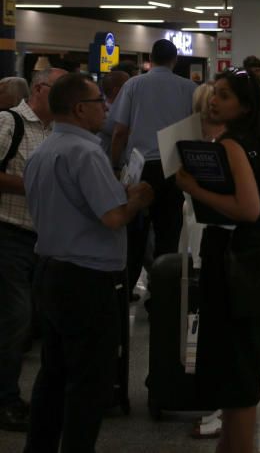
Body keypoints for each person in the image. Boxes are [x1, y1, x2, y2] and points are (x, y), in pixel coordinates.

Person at [23, 73, 153, 451]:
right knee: (90, 380)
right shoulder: (86, 152)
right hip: (86, 278)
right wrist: (138, 200)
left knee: (53, 372)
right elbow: (112, 217)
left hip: (49, 271)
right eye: (100, 101)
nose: (106, 108)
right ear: (81, 109)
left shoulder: (45, 150)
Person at [174, 67, 260, 453]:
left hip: (235, 260)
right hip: (254, 259)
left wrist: (192, 188)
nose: (214, 100)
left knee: (235, 372)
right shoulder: (259, 140)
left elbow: (248, 209)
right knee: (240, 367)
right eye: (214, 93)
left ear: (245, 105)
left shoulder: (233, 145)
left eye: (223, 95)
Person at [0, 68, 66, 432]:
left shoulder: (56, 133)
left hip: (42, 240)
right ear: (40, 89)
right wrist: (33, 186)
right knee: (16, 319)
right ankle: (6, 399)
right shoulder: (8, 124)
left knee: (32, 322)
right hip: (9, 234)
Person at [110, 39, 197, 296]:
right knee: (168, 235)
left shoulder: (133, 85)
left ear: (151, 58)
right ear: (175, 60)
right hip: (173, 169)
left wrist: (115, 166)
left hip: (139, 170)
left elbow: (120, 131)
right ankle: (162, 297)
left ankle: (124, 293)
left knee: (134, 235)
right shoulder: (189, 88)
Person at [97, 71, 129, 161]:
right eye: (127, 85)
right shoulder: (103, 112)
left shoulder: (122, 108)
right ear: (117, 90)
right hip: (109, 163)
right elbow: (122, 134)